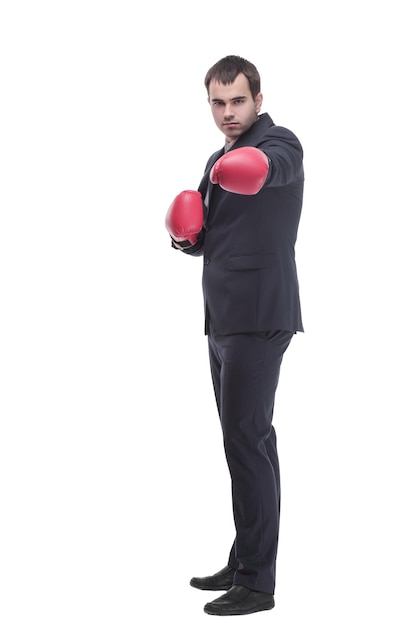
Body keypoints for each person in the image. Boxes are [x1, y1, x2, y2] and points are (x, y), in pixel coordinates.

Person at [165, 55, 304, 616]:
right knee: (243, 444)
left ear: (258, 100)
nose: (227, 112)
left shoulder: (282, 143)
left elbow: (271, 170)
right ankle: (244, 556)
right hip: (221, 318)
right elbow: (206, 236)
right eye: (218, 103)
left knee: (247, 443)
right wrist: (184, 237)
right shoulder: (214, 158)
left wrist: (247, 165)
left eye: (238, 101)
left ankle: (258, 582)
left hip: (258, 316)